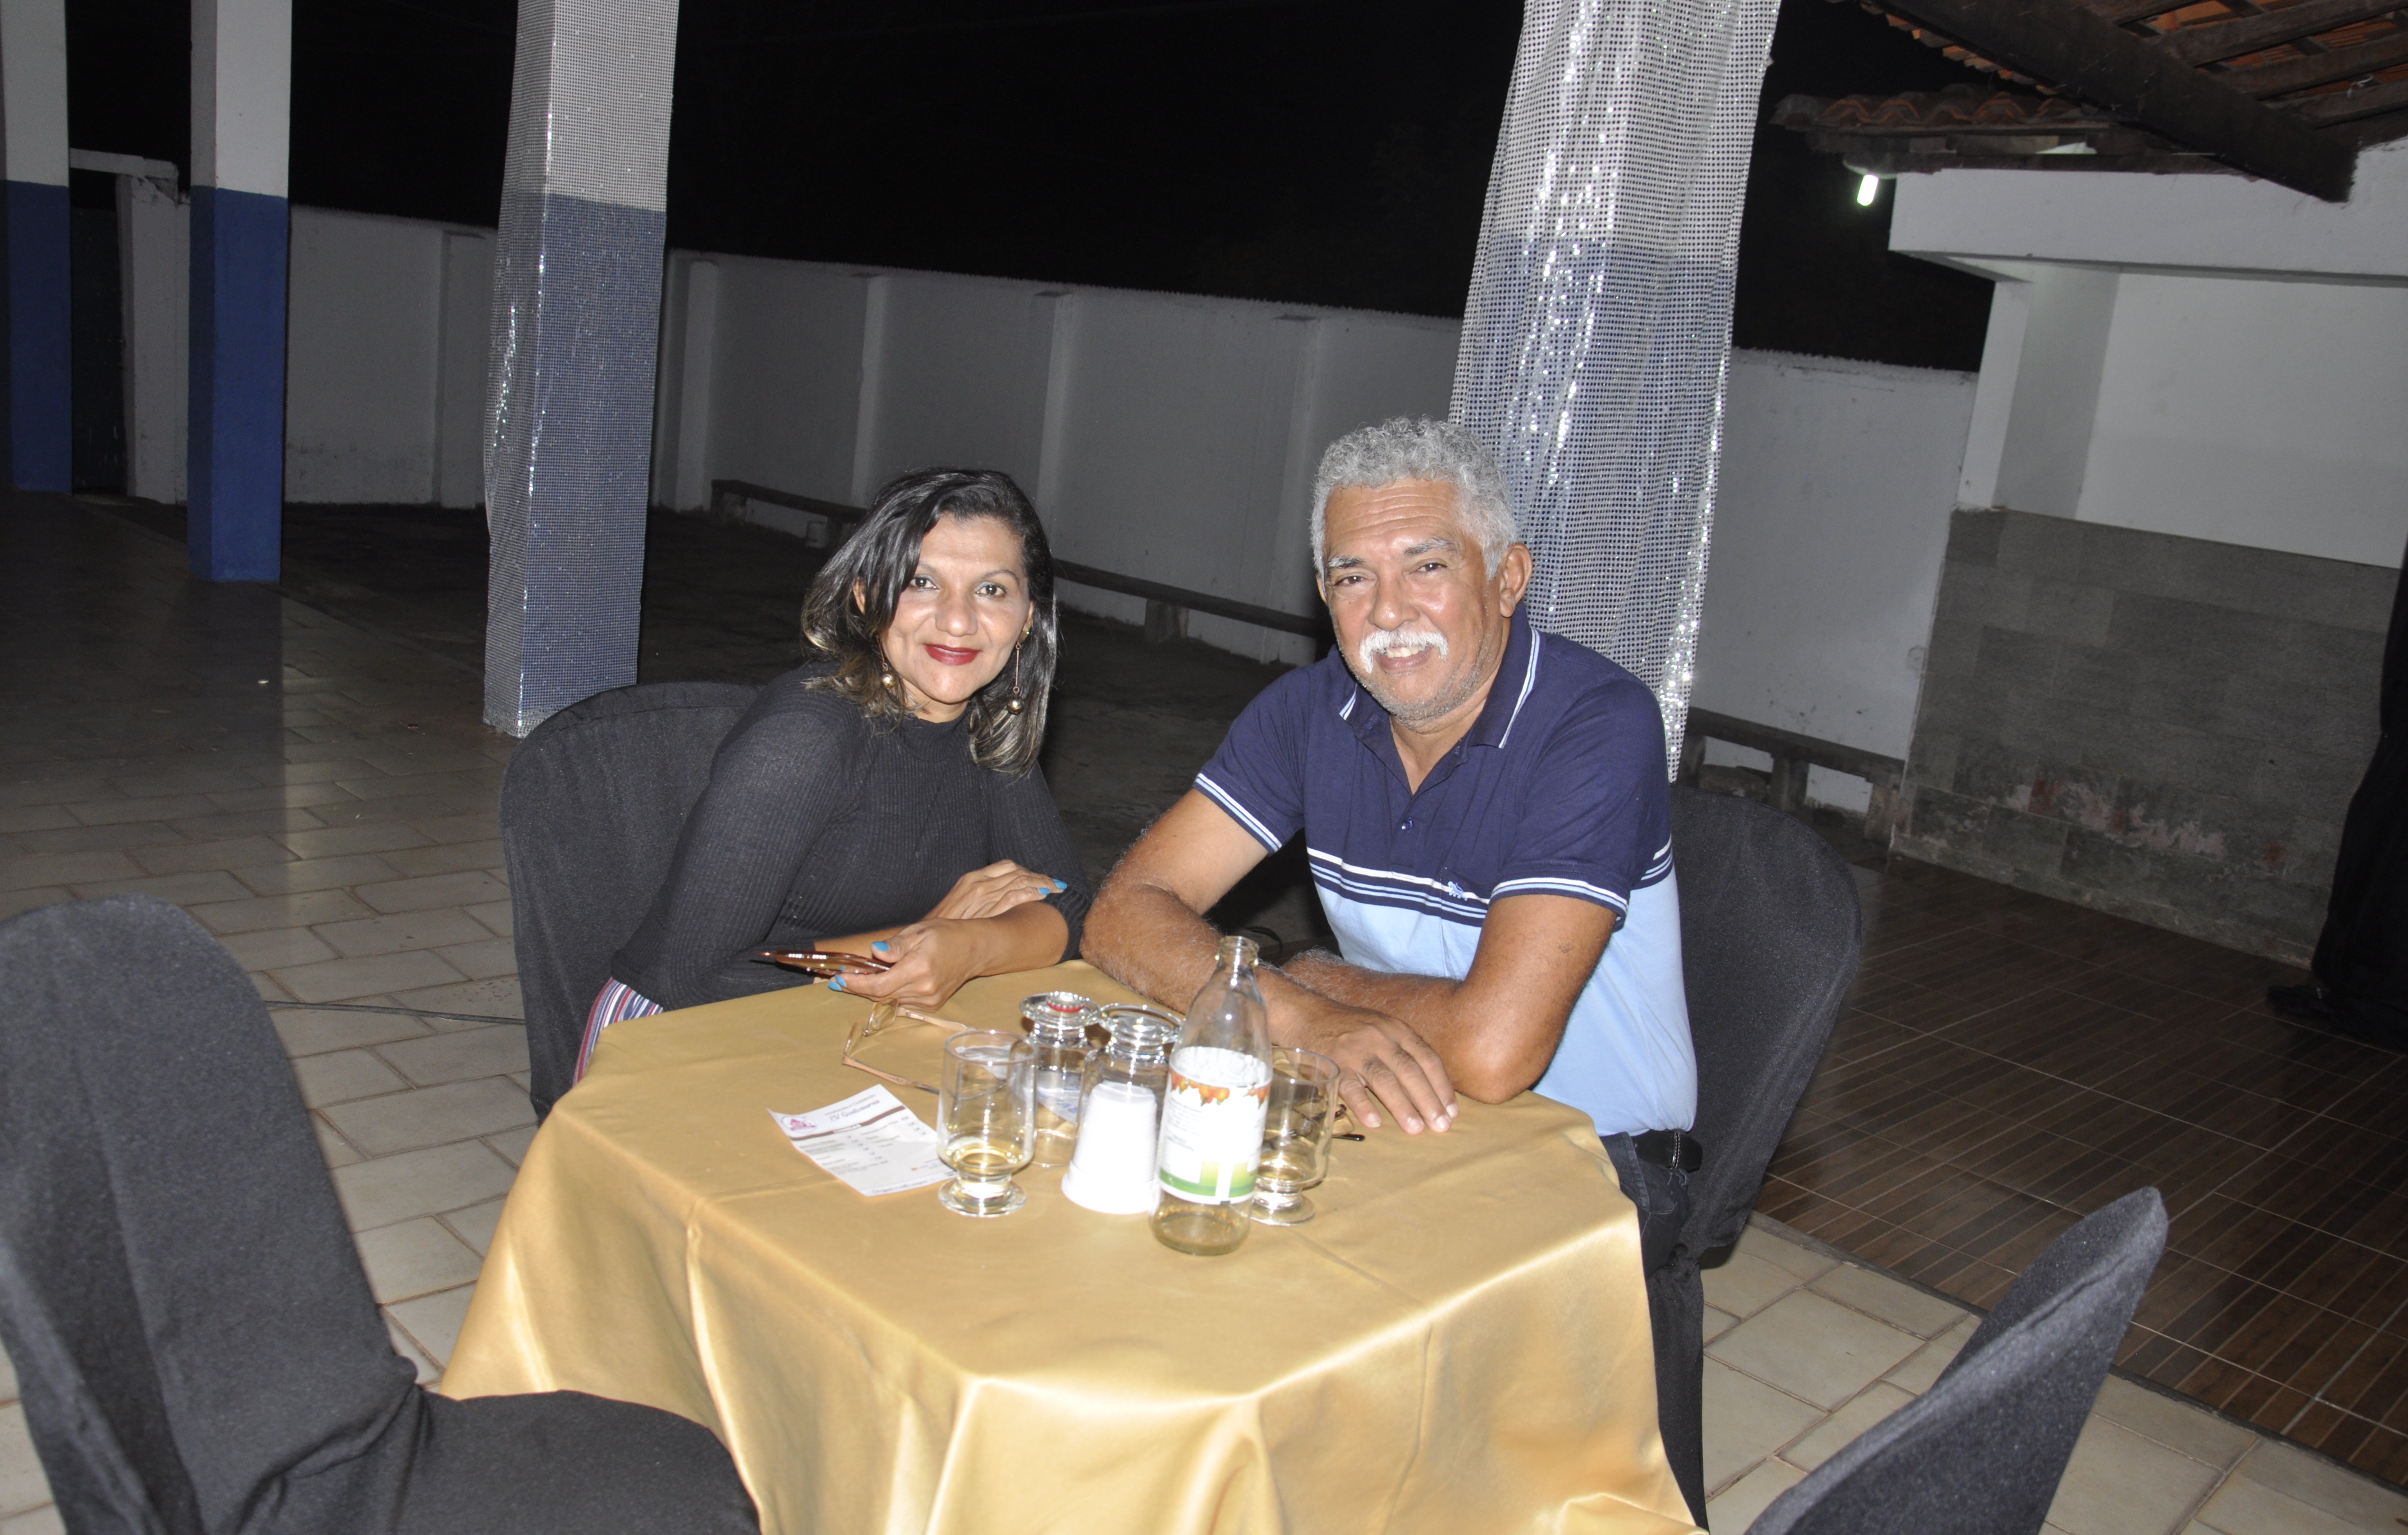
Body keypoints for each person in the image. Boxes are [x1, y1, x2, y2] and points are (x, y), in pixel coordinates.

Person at [1084, 417, 1699, 1267]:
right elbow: (1122, 915)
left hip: (1599, 1162)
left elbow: (1493, 1051)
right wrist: (1300, 1013)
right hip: (1403, 1114)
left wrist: (1318, 978)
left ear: (1507, 578)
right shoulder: (1307, 713)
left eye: (1428, 567)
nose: (1387, 611)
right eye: (1353, 577)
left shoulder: (1594, 726)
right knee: (1143, 1198)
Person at [578, 468, 1093, 1079]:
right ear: (865, 596)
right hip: (673, 1038)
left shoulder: (989, 728)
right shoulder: (806, 740)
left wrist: (969, 945)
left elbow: (1071, 908)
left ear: (1028, 615)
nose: (957, 620)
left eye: (991, 590)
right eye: (922, 582)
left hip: (837, 1025)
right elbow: (694, 976)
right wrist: (927, 934)